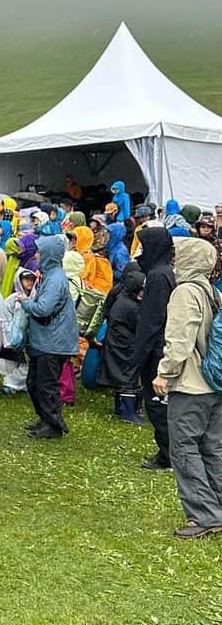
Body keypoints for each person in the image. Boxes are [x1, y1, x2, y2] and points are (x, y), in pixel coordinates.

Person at [153, 238, 222, 536]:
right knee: (213, 448)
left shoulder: (185, 292)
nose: (175, 260)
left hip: (192, 384)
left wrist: (164, 373)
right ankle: (217, 506)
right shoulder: (212, 291)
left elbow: (180, 339)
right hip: (215, 383)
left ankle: (205, 515)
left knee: (183, 448)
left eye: (178, 255)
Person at [19, 234, 79, 439]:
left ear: (49, 254)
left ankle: (53, 425)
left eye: (40, 252)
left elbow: (43, 309)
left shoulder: (55, 279)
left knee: (46, 385)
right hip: (48, 340)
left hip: (53, 342)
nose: (36, 255)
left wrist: (24, 302)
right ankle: (46, 419)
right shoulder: (51, 275)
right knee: (34, 382)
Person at [132, 225, 176, 470]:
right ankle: (166, 451)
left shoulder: (158, 276)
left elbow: (151, 319)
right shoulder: (164, 271)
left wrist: (139, 357)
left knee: (157, 404)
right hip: (160, 345)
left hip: (156, 349)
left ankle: (167, 455)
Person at [97, 265, 146, 423]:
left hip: (116, 342)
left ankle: (121, 409)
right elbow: (139, 326)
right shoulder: (131, 306)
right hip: (125, 346)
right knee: (128, 377)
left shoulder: (121, 298)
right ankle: (128, 413)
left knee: (120, 375)